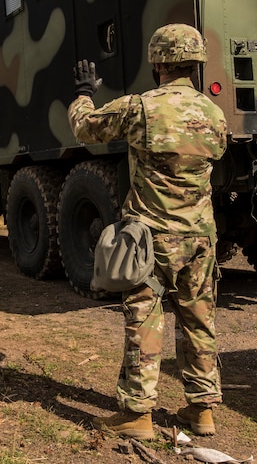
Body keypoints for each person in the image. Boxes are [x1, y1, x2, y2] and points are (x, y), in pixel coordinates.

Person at [68, 24, 228, 439]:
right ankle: (202, 410)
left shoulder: (141, 107)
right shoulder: (214, 113)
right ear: (195, 62)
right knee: (199, 320)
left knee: (144, 319)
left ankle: (138, 414)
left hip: (152, 238)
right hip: (200, 237)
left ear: (157, 62)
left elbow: (86, 128)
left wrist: (84, 93)